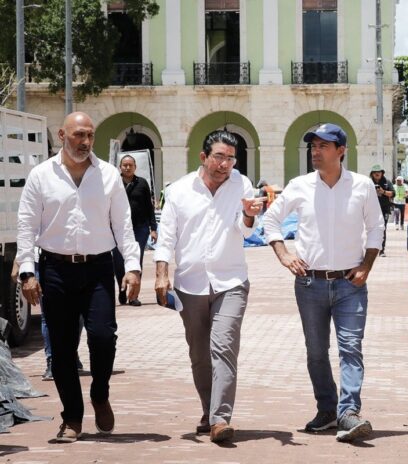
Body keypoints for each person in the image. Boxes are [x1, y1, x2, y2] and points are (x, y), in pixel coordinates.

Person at [16, 111, 141, 443]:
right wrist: (28, 271)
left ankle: (100, 393)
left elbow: (124, 226)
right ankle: (72, 417)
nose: (85, 142)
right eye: (78, 135)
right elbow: (27, 226)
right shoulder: (41, 175)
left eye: (90, 135)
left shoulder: (110, 175)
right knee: (61, 348)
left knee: (103, 336)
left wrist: (132, 267)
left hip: (98, 268)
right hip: (55, 270)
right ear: (61, 135)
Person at [263, 123, 384, 443]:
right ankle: (327, 409)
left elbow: (376, 228)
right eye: (313, 146)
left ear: (341, 151)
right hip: (309, 284)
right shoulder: (299, 185)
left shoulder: (361, 186)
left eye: (323, 146)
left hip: (350, 283)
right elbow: (270, 220)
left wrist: (367, 265)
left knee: (351, 348)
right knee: (316, 351)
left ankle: (348, 412)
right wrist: (284, 254)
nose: (315, 152)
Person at [153, 130, 263, 444]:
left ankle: (220, 419)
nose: (225, 164)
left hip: (231, 281)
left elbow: (243, 231)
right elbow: (167, 237)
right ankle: (208, 409)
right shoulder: (179, 190)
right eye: (219, 156)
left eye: (231, 158)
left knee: (224, 348)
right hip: (190, 285)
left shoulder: (241, 184)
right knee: (200, 355)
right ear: (204, 157)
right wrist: (162, 274)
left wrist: (248, 214)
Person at [113, 155, 158, 306]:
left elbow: (149, 207)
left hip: (140, 228)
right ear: (120, 167)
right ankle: (122, 289)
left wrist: (153, 228)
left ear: (135, 167)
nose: (127, 167)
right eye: (124, 165)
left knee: (136, 262)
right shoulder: (115, 183)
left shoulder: (142, 183)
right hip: (118, 229)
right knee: (118, 262)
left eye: (130, 165)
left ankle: (133, 296)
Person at [369, 165, 394, 256]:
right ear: (372, 174)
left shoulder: (387, 182)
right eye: (375, 172)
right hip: (370, 210)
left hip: (384, 209)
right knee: (368, 229)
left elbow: (392, 193)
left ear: (382, 173)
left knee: (382, 229)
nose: (377, 173)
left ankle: (382, 250)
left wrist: (383, 192)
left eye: (379, 172)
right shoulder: (368, 183)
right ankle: (370, 249)